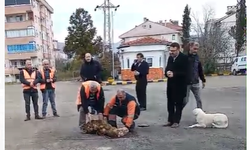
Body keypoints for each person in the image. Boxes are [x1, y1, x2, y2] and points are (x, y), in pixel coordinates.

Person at [163, 42, 189, 128]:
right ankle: (170, 120)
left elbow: (186, 72)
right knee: (170, 103)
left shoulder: (184, 58)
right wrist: (167, 73)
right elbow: (167, 68)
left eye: (173, 51)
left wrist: (175, 74)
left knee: (178, 104)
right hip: (170, 85)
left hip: (180, 86)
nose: (171, 52)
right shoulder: (170, 58)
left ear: (178, 50)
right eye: (170, 50)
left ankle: (176, 121)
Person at [184, 42, 206, 109]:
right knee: (185, 101)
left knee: (199, 100)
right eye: (194, 49)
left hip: (195, 82)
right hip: (186, 83)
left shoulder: (197, 58)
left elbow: (200, 70)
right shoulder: (184, 57)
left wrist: (203, 80)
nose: (196, 50)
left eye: (197, 49)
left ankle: (201, 115)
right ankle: (177, 113)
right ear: (190, 47)